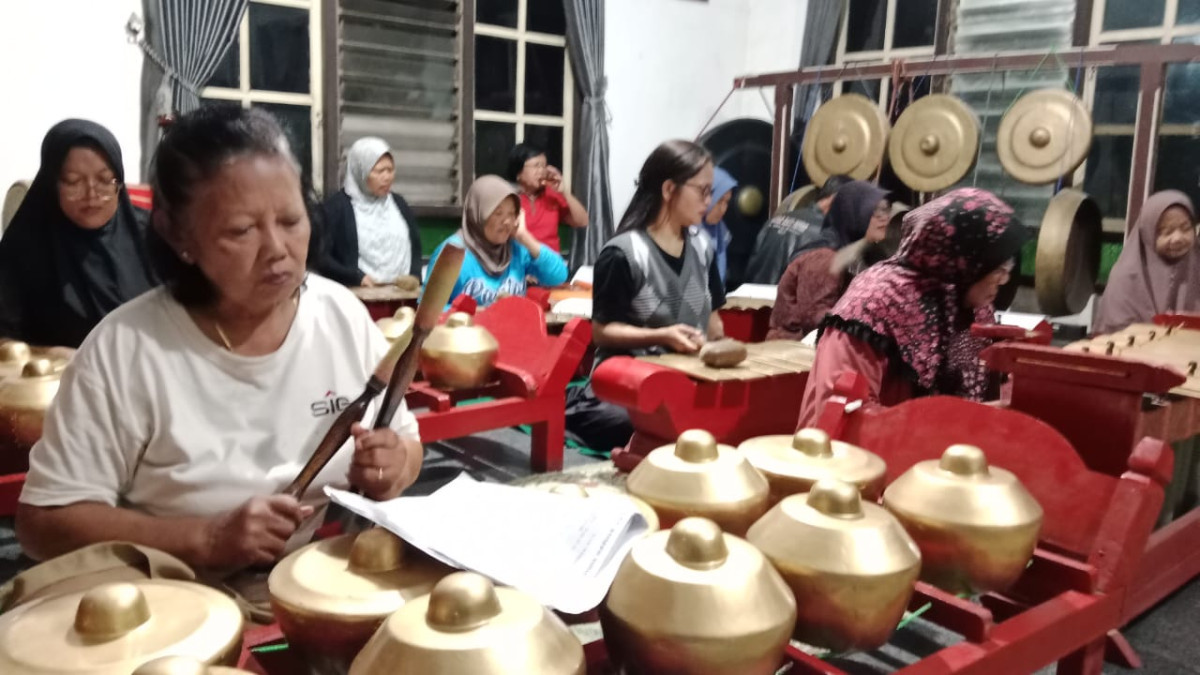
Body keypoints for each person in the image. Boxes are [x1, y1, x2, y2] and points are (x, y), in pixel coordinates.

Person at [16, 107, 423, 586]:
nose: (277, 249)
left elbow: (407, 442)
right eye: (241, 230)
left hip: (318, 583)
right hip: (172, 602)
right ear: (178, 235)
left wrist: (395, 467)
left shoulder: (340, 315)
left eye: (291, 219)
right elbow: (43, 523)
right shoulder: (125, 350)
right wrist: (203, 539)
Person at [796, 188, 1027, 427]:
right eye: (998, 267)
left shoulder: (967, 303)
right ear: (966, 260)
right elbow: (842, 412)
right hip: (862, 456)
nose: (1004, 279)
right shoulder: (875, 300)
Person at [565, 140, 727, 454]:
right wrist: (662, 335)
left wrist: (719, 349)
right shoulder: (624, 253)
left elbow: (714, 323)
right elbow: (602, 332)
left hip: (688, 378)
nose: (710, 200)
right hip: (629, 381)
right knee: (658, 425)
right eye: (703, 191)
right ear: (669, 189)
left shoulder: (703, 247)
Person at [0, 120, 157, 348]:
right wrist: (51, 355)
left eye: (105, 180)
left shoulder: (153, 235)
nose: (92, 195)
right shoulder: (25, 247)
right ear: (52, 184)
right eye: (74, 182)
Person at [767, 181, 890, 340]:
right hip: (792, 350)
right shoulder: (825, 258)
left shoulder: (855, 253)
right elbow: (813, 318)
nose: (884, 218)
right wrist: (864, 325)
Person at [428, 174, 567, 308]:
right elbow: (429, 312)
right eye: (498, 213)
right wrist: (476, 315)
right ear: (478, 213)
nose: (507, 221)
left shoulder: (516, 248)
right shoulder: (452, 253)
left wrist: (525, 237)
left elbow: (558, 276)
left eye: (512, 213)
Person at [318, 137, 422, 287]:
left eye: (390, 170)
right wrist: (355, 277)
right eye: (379, 171)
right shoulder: (337, 208)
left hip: (400, 299)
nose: (387, 177)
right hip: (358, 299)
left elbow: (415, 246)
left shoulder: (398, 204)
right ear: (361, 171)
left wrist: (414, 276)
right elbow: (320, 257)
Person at [1092, 190, 1199, 334]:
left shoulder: (1196, 268)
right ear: (1148, 234)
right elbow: (1116, 335)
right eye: (1167, 232)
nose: (1178, 238)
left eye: (1186, 229)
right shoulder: (1125, 278)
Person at [744, 174, 852, 285]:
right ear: (835, 199)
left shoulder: (775, 220)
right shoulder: (828, 235)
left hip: (752, 296)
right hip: (784, 299)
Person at [508, 143, 588, 252]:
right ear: (519, 173)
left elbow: (582, 221)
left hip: (551, 263)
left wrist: (564, 192)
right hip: (520, 263)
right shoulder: (509, 198)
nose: (541, 171)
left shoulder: (551, 195)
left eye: (544, 166)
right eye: (536, 166)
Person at [696, 167, 737, 285]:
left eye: (727, 202)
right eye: (719, 201)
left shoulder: (720, 230)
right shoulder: (687, 231)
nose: (723, 209)